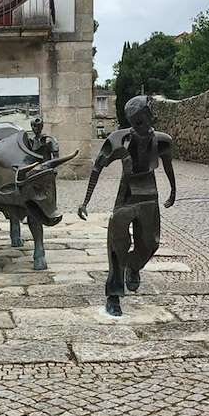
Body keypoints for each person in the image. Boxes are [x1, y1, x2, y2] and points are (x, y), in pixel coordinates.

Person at [77, 95, 176, 316]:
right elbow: (97, 167)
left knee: (150, 244)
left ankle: (133, 267)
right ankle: (114, 294)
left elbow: (168, 166)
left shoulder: (162, 140)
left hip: (149, 197)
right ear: (138, 119)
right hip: (126, 198)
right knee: (117, 245)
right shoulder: (118, 140)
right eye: (149, 113)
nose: (154, 115)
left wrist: (173, 191)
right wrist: (85, 201)